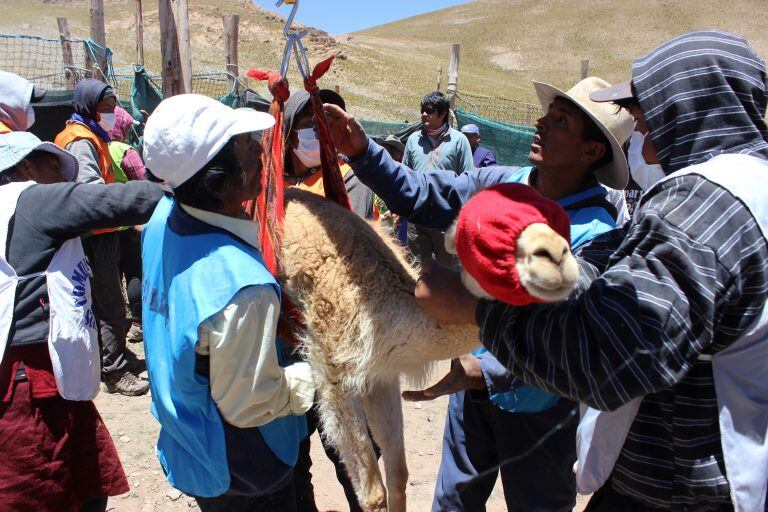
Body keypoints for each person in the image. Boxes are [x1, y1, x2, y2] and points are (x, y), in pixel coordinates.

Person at [408, 31, 768, 511]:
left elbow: (605, 355)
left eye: (643, 113)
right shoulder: (741, 192)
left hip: (681, 493)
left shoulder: (701, 207)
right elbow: (613, 277)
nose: (637, 130)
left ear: (684, 107)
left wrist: (476, 310)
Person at [323, 76, 633, 512]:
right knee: (453, 502)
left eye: (560, 121)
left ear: (592, 150)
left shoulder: (593, 233)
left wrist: (481, 362)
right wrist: (362, 151)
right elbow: (425, 194)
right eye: (546, 115)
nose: (540, 124)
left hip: (539, 404)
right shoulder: (504, 182)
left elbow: (563, 327)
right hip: (471, 391)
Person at [141, 94, 315, 512]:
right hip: (244, 465)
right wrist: (319, 373)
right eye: (244, 144)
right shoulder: (242, 287)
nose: (260, 148)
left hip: (191, 436)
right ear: (218, 181)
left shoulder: (161, 223)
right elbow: (252, 403)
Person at [0, 130, 162, 512]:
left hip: (32, 377)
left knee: (78, 487)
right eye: (55, 168)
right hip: (33, 383)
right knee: (46, 487)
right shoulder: (31, 198)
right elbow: (121, 200)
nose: (64, 181)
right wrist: (189, 184)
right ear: (27, 167)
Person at [280, 88, 380, 512]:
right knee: (293, 454)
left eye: (322, 125)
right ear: (284, 133)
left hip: (338, 343)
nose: (315, 134)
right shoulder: (267, 187)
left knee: (354, 449)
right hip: (285, 342)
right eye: (306, 125)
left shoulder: (350, 182)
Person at [54, 79, 147, 396]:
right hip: (95, 235)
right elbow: (91, 192)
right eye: (105, 109)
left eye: (113, 109)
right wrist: (124, 198)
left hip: (100, 232)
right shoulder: (81, 141)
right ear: (89, 107)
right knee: (109, 304)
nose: (111, 114)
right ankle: (115, 371)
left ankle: (114, 358)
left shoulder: (91, 135)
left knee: (107, 301)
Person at [403, 91, 474, 265]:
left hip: (447, 218)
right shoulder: (413, 140)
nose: (424, 114)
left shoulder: (459, 141)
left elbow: (469, 177)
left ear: (442, 114)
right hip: (417, 216)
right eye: (422, 110)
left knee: (447, 271)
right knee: (417, 270)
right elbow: (405, 174)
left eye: (429, 110)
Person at [283, 89, 377, 220]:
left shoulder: (348, 178)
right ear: (289, 131)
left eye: (326, 123)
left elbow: (350, 234)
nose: (318, 130)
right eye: (310, 123)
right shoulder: (271, 180)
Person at [107, 105, 145, 344]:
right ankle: (139, 323)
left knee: (111, 278)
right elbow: (143, 182)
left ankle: (116, 324)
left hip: (103, 227)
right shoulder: (124, 150)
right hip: (128, 225)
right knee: (134, 274)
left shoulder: (96, 148)